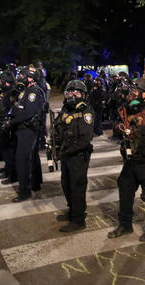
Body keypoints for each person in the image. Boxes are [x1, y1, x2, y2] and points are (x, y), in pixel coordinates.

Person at [108, 78, 145, 242]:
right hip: (130, 160)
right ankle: (125, 225)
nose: (131, 95)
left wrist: (136, 136)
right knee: (125, 191)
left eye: (135, 92)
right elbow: (116, 121)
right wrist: (119, 128)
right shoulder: (128, 108)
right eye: (131, 91)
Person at [55, 80, 94, 232]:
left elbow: (85, 139)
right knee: (66, 183)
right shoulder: (67, 108)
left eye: (76, 92)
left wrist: (68, 151)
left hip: (78, 154)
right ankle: (73, 210)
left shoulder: (86, 111)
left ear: (83, 95)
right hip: (66, 152)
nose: (72, 95)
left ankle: (78, 220)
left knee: (77, 186)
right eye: (70, 92)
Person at [6, 67, 45, 202]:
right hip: (25, 129)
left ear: (30, 78)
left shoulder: (33, 92)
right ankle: (35, 184)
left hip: (27, 129)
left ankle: (24, 191)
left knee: (22, 160)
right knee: (32, 157)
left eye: (23, 75)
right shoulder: (27, 91)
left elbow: (28, 113)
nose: (20, 77)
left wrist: (11, 122)